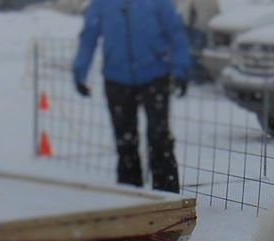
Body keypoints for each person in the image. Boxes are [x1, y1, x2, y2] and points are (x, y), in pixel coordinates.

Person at [72, 0, 191, 193]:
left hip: (155, 76)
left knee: (160, 140)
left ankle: (167, 199)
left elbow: (176, 32)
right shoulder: (101, 3)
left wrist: (181, 70)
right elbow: (88, 37)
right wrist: (80, 72)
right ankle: (130, 198)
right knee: (125, 143)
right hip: (116, 79)